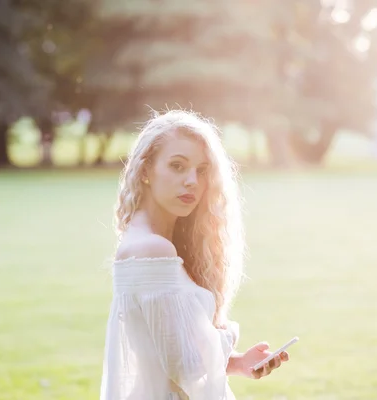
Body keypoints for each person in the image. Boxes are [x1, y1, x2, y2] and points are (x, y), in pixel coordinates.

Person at [100, 110, 289, 400]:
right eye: (177, 166)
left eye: (202, 170)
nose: (192, 181)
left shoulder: (157, 243)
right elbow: (185, 367)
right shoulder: (151, 248)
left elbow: (166, 354)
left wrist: (237, 363)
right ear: (146, 170)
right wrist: (226, 338)